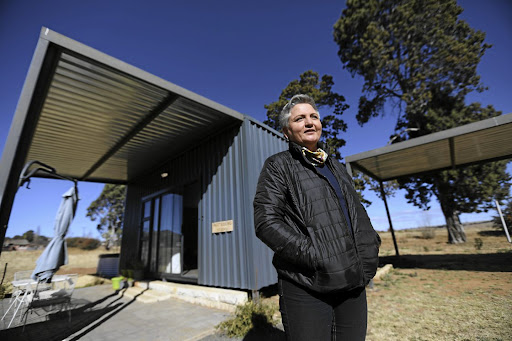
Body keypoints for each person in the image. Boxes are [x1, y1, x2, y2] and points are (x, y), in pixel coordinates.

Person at [253, 94, 381, 340]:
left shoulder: (337, 167)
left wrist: (370, 245)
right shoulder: (278, 166)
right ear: (286, 132)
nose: (310, 122)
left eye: (314, 116)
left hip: (352, 281)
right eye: (300, 119)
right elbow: (266, 221)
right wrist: (318, 256)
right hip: (306, 285)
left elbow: (357, 211)